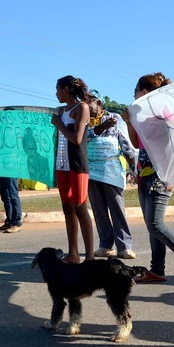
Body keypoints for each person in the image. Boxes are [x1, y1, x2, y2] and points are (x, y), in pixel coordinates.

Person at [124, 72, 174, 287]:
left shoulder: (166, 115)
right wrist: (130, 122)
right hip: (144, 176)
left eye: (137, 91)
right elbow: (138, 144)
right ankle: (157, 270)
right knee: (152, 226)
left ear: (146, 92)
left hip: (162, 177)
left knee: (156, 225)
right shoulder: (143, 117)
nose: (134, 95)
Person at [51, 75, 94, 264]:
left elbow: (76, 139)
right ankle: (73, 253)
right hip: (62, 164)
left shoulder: (82, 108)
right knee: (67, 207)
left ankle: (90, 257)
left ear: (66, 89)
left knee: (80, 207)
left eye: (57, 89)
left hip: (77, 164)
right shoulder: (61, 110)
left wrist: (59, 124)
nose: (56, 93)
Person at [86, 96, 137, 259]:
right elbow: (82, 139)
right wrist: (100, 128)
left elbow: (126, 144)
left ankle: (125, 246)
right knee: (99, 210)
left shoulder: (115, 119)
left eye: (89, 103)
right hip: (92, 172)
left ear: (99, 103)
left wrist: (134, 168)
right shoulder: (83, 120)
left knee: (117, 208)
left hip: (111, 171)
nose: (86, 107)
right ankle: (106, 245)